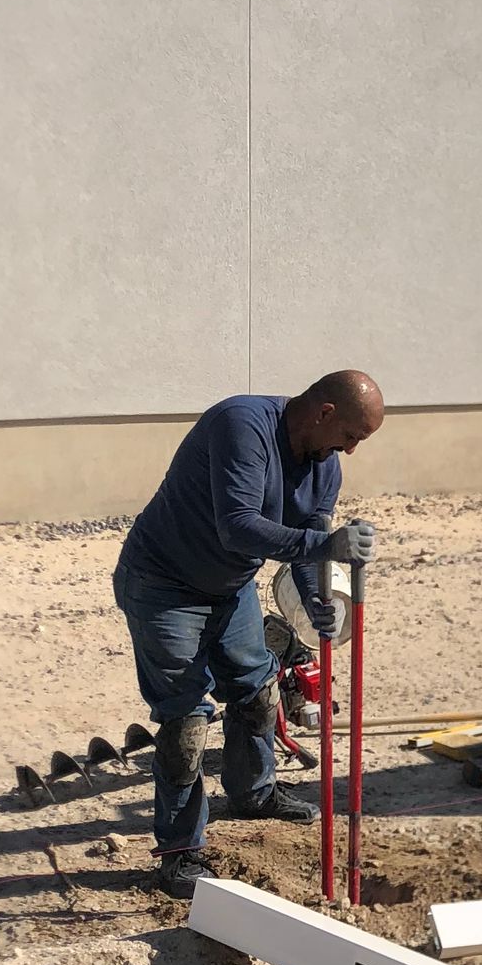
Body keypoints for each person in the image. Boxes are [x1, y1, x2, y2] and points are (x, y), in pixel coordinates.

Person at [113, 371, 385, 898]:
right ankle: (178, 855)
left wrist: (315, 602)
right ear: (324, 412)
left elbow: (308, 542)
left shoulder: (323, 466)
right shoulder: (241, 425)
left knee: (258, 696)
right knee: (186, 723)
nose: (351, 450)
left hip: (229, 586)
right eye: (351, 435)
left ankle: (253, 793)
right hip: (164, 584)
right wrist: (325, 547)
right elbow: (236, 525)